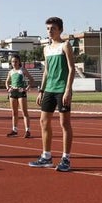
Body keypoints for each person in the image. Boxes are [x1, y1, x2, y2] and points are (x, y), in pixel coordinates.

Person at [29, 17, 75, 172]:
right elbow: (46, 71)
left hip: (62, 89)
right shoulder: (46, 49)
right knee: (43, 121)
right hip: (49, 89)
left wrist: (68, 89)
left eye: (53, 28)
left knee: (64, 124)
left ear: (60, 30)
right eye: (48, 29)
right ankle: (46, 156)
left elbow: (72, 68)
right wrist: (41, 90)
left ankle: (66, 159)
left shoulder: (65, 45)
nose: (50, 31)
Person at [4, 55, 34, 137]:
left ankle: (27, 130)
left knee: (24, 112)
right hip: (13, 92)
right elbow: (6, 82)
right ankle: (14, 130)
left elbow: (31, 80)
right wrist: (8, 89)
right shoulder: (10, 72)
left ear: (19, 62)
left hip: (21, 92)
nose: (14, 63)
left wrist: (26, 89)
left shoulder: (22, 70)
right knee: (14, 113)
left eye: (16, 61)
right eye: (13, 61)